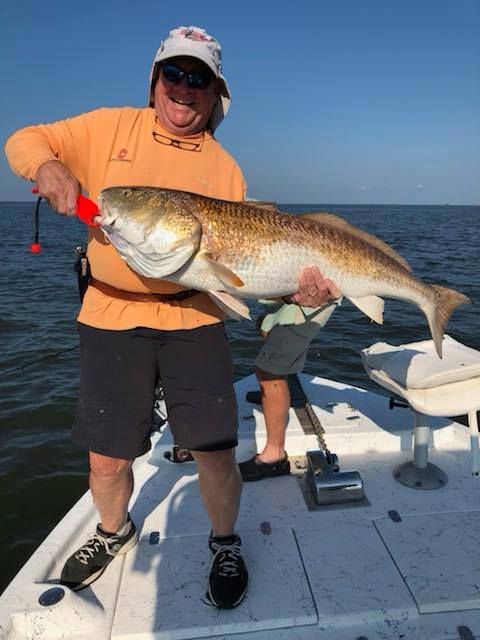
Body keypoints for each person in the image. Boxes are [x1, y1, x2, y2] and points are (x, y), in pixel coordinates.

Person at [5, 24, 338, 608]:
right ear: (155, 79)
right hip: (111, 318)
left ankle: (225, 540)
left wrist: (296, 292)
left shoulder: (225, 168)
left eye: (199, 78)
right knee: (107, 454)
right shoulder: (108, 126)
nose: (184, 89)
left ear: (216, 93)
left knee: (212, 447)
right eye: (174, 74)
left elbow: (241, 267)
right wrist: (47, 168)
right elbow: (26, 138)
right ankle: (113, 531)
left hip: (195, 319)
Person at [239, 275, 341, 482]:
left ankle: (274, 455)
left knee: (268, 373)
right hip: (292, 304)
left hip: (304, 307)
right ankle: (275, 400)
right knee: (266, 329)